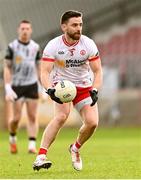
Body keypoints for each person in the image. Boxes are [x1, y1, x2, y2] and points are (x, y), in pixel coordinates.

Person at [33, 10, 103, 171]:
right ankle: (41, 156)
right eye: (74, 25)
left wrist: (95, 89)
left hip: (84, 86)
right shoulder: (53, 45)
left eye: (80, 25)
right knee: (61, 116)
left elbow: (98, 71)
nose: (79, 28)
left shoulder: (88, 44)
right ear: (64, 27)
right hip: (61, 86)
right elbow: (44, 71)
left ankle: (75, 148)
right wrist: (50, 89)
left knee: (92, 123)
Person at [4, 20, 41, 154]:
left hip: (31, 85)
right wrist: (8, 87)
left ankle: (32, 145)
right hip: (17, 86)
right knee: (16, 118)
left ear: (31, 30)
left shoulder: (35, 47)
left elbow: (39, 67)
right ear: (18, 30)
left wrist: (42, 86)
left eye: (27, 29)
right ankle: (12, 138)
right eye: (23, 29)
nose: (25, 31)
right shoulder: (12, 47)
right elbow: (7, 67)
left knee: (32, 116)